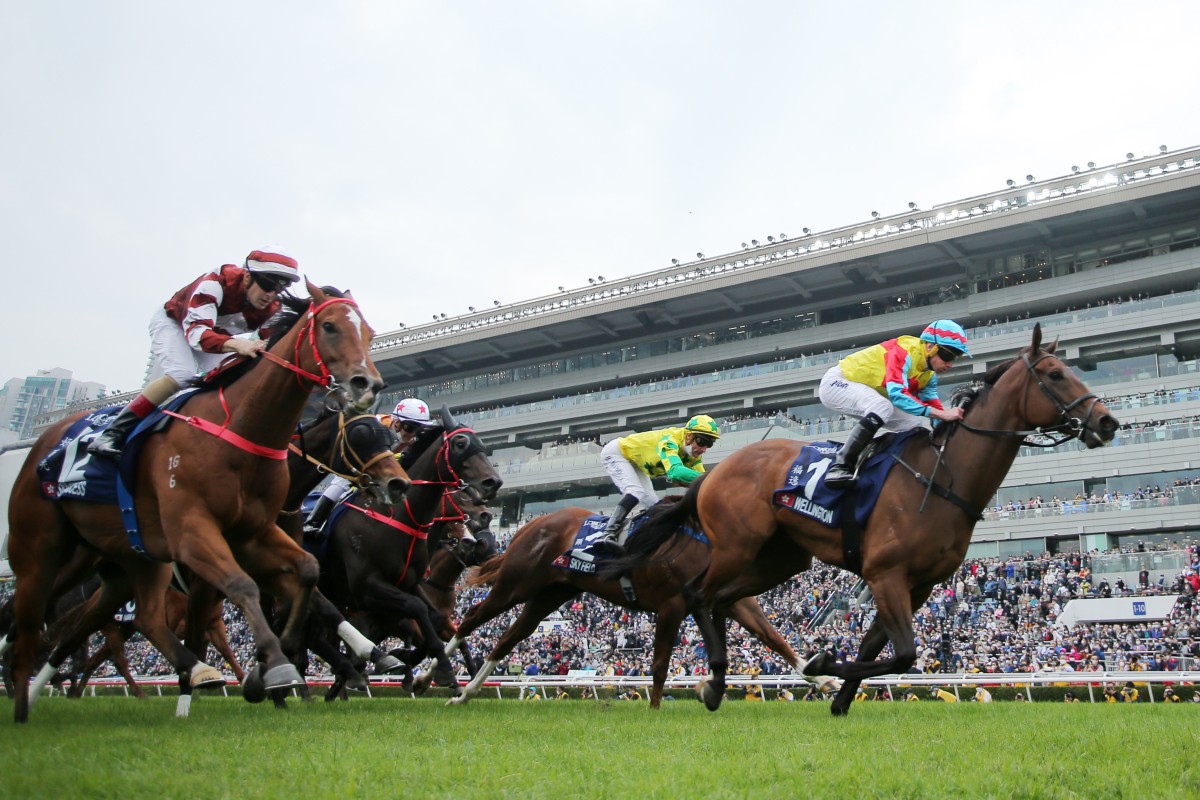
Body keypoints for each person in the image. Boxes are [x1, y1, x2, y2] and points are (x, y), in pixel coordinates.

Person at [89, 247, 300, 459]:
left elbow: (270, 347)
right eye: (267, 285)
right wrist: (238, 344)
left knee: (233, 379)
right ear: (247, 278)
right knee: (182, 374)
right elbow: (197, 335)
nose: (271, 295)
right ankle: (112, 433)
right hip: (176, 324)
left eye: (279, 289)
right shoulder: (216, 283)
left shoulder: (273, 309)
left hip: (216, 334)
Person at [817, 319, 970, 489]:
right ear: (930, 347)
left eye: (955, 358)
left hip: (869, 394)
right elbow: (897, 396)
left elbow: (937, 413)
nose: (950, 364)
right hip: (836, 383)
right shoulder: (903, 352)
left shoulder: (929, 376)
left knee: (913, 424)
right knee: (883, 407)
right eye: (947, 356)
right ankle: (841, 465)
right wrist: (942, 414)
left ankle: (878, 465)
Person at [302, 397, 434, 536]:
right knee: (341, 483)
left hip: (380, 472)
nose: (413, 434)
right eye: (410, 428)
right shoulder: (377, 428)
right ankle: (313, 521)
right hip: (357, 465)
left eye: (419, 430)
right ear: (396, 423)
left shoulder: (410, 439)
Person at [593, 414, 720, 554]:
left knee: (654, 505)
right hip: (617, 453)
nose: (704, 449)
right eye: (702, 442)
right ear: (689, 436)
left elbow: (703, 483)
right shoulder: (669, 441)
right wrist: (713, 479)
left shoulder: (693, 455)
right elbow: (675, 472)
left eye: (709, 444)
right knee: (635, 491)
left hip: (635, 462)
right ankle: (607, 534)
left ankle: (637, 542)